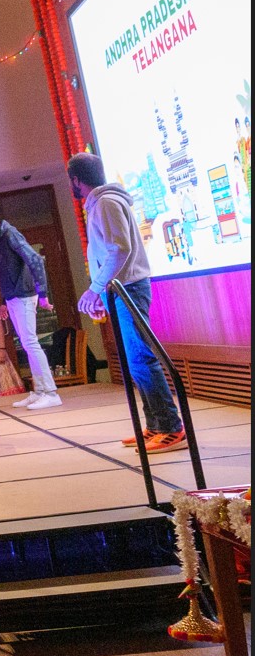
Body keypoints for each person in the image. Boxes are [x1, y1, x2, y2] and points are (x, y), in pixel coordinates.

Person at [67, 152, 185, 452]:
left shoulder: (105, 202)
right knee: (135, 363)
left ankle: (171, 427)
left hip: (130, 288)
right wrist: (102, 293)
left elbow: (120, 249)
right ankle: (155, 425)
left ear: (76, 180)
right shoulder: (100, 203)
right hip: (120, 290)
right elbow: (108, 253)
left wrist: (95, 288)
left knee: (141, 359)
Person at [0, 199, 60, 409]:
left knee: (30, 342)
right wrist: (4, 300)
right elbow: (6, 271)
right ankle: (39, 391)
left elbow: (36, 260)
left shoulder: (10, 234)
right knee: (27, 342)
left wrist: (43, 294)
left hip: (23, 294)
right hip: (13, 296)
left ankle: (51, 392)